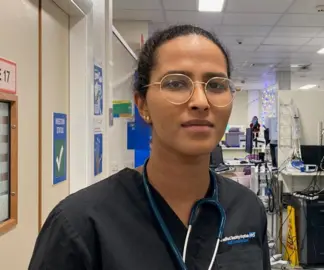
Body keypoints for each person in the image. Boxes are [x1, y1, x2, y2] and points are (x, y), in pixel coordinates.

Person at [29, 25, 271, 270]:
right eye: (176, 83)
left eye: (216, 85)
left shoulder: (247, 209)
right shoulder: (80, 223)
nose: (200, 101)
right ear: (142, 104)